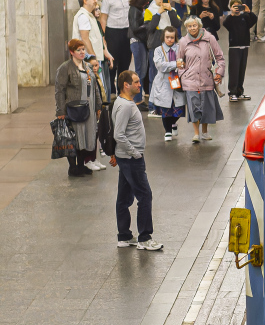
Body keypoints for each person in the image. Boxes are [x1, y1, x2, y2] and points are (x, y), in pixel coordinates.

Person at [108, 71, 162, 252]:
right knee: (145, 195)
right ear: (126, 85)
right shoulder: (126, 106)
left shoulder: (123, 103)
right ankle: (145, 238)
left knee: (123, 197)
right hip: (131, 159)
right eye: (137, 82)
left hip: (126, 158)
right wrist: (134, 152)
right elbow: (118, 134)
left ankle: (124, 236)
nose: (140, 85)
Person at [55, 39, 106, 176]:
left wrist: (98, 106)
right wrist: (60, 111)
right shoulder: (65, 68)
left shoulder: (88, 66)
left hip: (88, 107)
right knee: (75, 137)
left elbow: (95, 88)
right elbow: (59, 91)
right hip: (74, 108)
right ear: (72, 52)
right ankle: (73, 167)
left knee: (88, 135)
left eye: (83, 49)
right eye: (79, 50)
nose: (82, 52)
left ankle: (82, 164)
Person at [178, 16, 225, 144]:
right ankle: (196, 133)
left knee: (206, 107)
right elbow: (179, 61)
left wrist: (219, 73)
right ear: (186, 28)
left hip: (207, 79)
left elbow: (220, 57)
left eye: (194, 25)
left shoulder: (209, 38)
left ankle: (204, 132)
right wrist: (182, 75)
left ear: (199, 25)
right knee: (193, 108)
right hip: (190, 81)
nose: (192, 28)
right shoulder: (183, 42)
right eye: (189, 26)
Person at [149, 26, 186, 141]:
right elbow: (160, 66)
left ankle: (173, 123)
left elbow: (185, 62)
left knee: (179, 108)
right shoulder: (158, 50)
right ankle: (168, 131)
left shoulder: (180, 48)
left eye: (172, 37)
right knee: (165, 108)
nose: (170, 39)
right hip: (163, 82)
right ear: (163, 37)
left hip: (177, 81)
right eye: (167, 37)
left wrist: (180, 65)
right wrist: (175, 64)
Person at [71, 0, 109, 100]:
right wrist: (92, 57)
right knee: (93, 91)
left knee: (99, 89)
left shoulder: (89, 16)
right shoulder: (83, 16)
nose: (95, 1)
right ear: (85, 1)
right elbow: (85, 38)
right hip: (88, 59)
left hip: (92, 58)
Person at [221, 0, 257, 102]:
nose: (237, 8)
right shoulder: (230, 19)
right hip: (234, 47)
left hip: (245, 46)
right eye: (234, 6)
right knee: (234, 70)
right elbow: (226, 24)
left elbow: (254, 20)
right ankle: (232, 92)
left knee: (242, 70)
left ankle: (239, 91)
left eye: (239, 6)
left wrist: (248, 12)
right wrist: (231, 13)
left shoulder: (245, 17)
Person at [99, 0, 133, 80]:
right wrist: (103, 35)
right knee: (113, 59)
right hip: (112, 31)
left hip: (126, 31)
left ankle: (122, 86)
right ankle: (112, 90)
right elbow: (103, 17)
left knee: (126, 59)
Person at [127, 0, 154, 103]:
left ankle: (138, 98)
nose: (148, 2)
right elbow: (135, 27)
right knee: (140, 71)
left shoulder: (138, 9)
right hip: (137, 41)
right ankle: (137, 100)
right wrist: (148, 24)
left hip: (139, 41)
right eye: (146, 0)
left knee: (141, 71)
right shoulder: (134, 10)